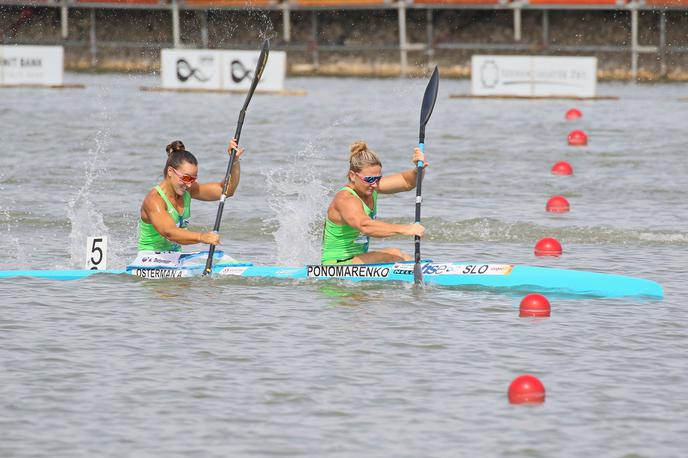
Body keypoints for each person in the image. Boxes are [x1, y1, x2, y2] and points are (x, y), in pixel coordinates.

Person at [135, 139, 244, 263]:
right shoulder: (154, 200)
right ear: (170, 171)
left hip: (174, 257)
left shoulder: (188, 189)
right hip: (149, 259)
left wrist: (234, 161)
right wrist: (202, 237)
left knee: (222, 259)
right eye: (186, 178)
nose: (188, 184)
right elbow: (169, 232)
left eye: (193, 179)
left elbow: (225, 190)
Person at [321, 141, 427, 265]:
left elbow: (408, 182)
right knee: (394, 254)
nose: (375, 184)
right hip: (336, 265)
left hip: (357, 259)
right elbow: (365, 226)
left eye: (378, 179)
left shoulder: (369, 187)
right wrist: (406, 229)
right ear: (352, 176)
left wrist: (419, 167)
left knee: (398, 255)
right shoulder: (346, 200)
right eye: (370, 179)